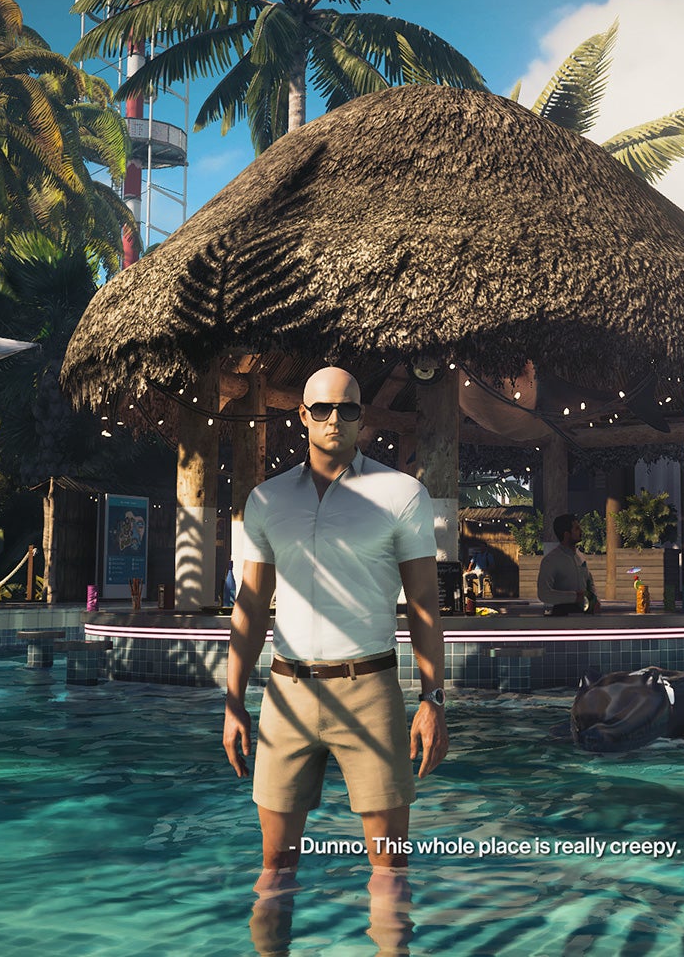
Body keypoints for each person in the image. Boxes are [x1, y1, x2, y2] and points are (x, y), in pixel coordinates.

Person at [224, 366, 446, 949]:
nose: (333, 420)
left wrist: (433, 699)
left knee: (390, 872)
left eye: (346, 410)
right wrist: (233, 701)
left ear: (361, 419)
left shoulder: (400, 495)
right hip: (286, 694)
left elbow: (424, 603)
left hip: (369, 689)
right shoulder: (267, 501)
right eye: (320, 409)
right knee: (274, 870)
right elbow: (250, 606)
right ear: (302, 416)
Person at [537, 514, 598, 616]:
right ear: (567, 534)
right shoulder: (551, 560)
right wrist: (575, 597)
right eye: (577, 529)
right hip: (561, 616)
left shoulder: (580, 556)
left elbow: (589, 581)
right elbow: (543, 594)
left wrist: (595, 600)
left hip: (585, 615)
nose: (581, 531)